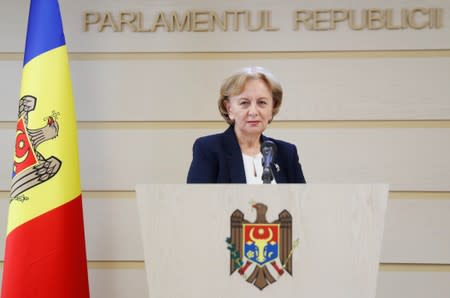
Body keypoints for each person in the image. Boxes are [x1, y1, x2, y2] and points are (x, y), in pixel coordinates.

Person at [186, 66, 306, 184]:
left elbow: (304, 202)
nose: (253, 112)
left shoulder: (287, 153)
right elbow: (197, 201)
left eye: (262, 102)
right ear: (229, 109)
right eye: (244, 103)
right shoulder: (209, 149)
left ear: (272, 108)